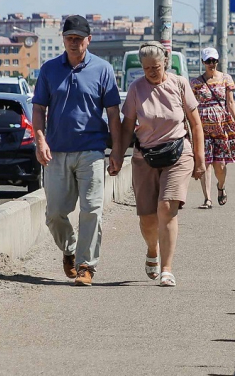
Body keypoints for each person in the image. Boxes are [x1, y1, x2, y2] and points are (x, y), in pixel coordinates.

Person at [32, 15, 122, 287]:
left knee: (91, 209)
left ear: (88, 40)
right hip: (56, 152)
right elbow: (38, 109)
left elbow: (113, 114)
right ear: (63, 39)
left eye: (78, 39)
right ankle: (70, 249)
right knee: (55, 213)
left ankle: (86, 266)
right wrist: (40, 140)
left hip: (91, 150)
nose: (73, 43)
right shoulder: (49, 70)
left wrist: (116, 150)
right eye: (69, 38)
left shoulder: (103, 69)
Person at [119, 42, 205, 287]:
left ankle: (167, 269)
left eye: (155, 67)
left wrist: (200, 159)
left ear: (165, 62)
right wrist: (117, 155)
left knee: (166, 207)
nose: (151, 72)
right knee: (148, 218)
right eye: (146, 69)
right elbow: (127, 127)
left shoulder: (179, 84)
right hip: (145, 157)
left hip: (178, 153)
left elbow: (195, 124)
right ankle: (152, 249)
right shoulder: (136, 89)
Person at [189, 47, 235, 208]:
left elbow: (230, 101)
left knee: (220, 164)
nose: (211, 64)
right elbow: (191, 105)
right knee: (205, 163)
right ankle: (207, 199)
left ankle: (221, 187)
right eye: (208, 61)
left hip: (221, 127)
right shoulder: (196, 83)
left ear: (217, 61)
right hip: (202, 128)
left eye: (214, 61)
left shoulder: (226, 78)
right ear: (203, 62)